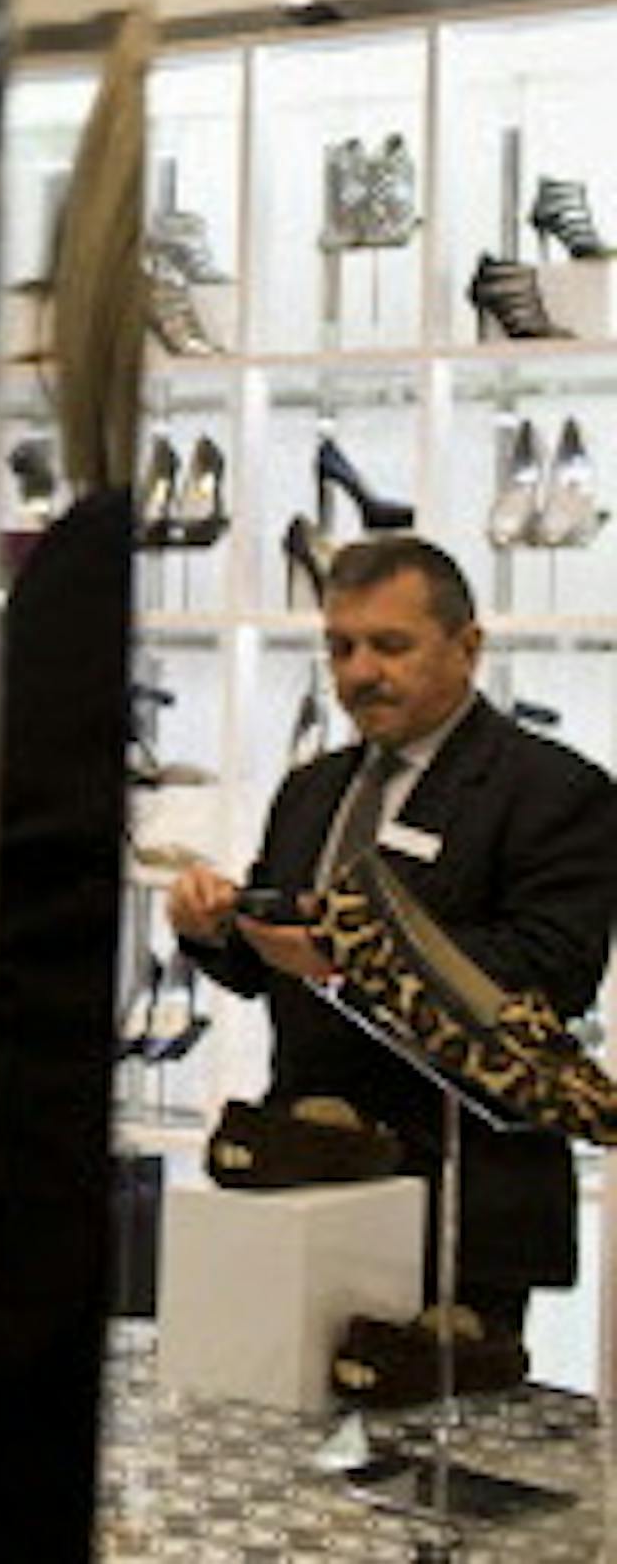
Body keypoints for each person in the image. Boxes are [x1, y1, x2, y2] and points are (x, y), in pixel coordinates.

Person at [167, 534, 617, 1349]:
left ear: (467, 647)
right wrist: (213, 929)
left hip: (462, 1197)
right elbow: (277, 965)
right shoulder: (312, 790)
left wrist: (353, 957)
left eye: (390, 645)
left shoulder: (557, 791)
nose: (360, 672)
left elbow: (551, 975)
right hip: (310, 1176)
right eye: (341, 648)